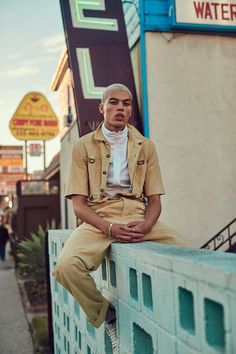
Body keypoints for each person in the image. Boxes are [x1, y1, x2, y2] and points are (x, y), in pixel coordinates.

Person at [53, 83, 187, 353]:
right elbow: (78, 205)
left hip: (138, 216)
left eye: (126, 104)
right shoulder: (82, 146)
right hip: (99, 218)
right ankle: (108, 316)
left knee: (190, 255)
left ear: (130, 110)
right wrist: (110, 228)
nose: (120, 108)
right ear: (102, 107)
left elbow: (155, 201)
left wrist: (146, 226)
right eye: (113, 102)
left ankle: (174, 321)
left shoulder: (145, 146)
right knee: (66, 267)